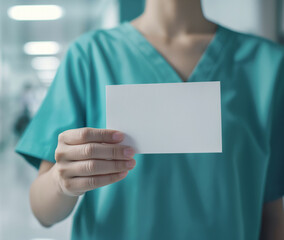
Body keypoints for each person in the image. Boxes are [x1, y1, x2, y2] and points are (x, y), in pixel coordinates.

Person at [15, 0, 284, 239]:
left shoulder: (265, 66)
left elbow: (272, 211)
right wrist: (61, 183)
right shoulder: (90, 56)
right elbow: (43, 212)